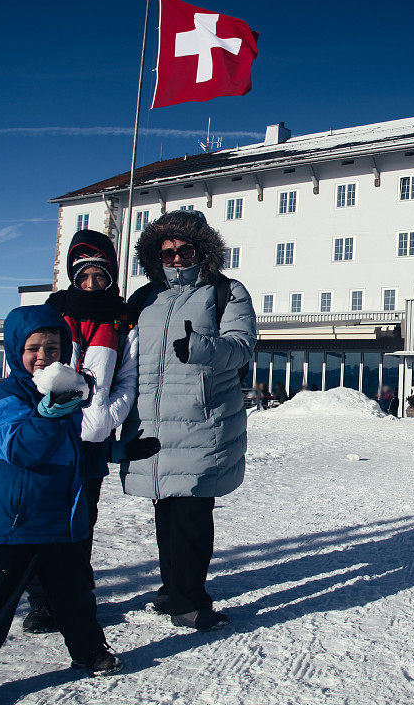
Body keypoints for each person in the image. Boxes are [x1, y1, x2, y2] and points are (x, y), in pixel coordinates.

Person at [0, 305, 122, 705]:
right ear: (16, 349)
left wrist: (119, 450)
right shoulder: (4, 398)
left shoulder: (64, 389)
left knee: (75, 594)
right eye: (33, 347)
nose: (43, 356)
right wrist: (49, 414)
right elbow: (22, 449)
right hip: (16, 520)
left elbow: (75, 450)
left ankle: (88, 651)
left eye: (53, 348)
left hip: (62, 518)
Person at [115, 210, 256, 631]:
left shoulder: (226, 292)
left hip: (201, 420)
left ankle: (191, 600)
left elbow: (241, 347)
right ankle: (172, 589)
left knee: (192, 514)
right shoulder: (145, 297)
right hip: (151, 422)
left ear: (203, 251)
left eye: (184, 250)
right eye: (167, 252)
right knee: (165, 511)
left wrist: (199, 347)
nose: (175, 259)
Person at [21, 228, 154, 634]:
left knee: (82, 521)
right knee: (42, 518)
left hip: (93, 442)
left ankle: (76, 596)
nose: (92, 284)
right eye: (84, 276)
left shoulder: (121, 318)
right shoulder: (53, 311)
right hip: (50, 435)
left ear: (112, 275)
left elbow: (128, 378)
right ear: (72, 277)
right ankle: (42, 602)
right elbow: (31, 367)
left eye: (100, 276)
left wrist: (108, 417)